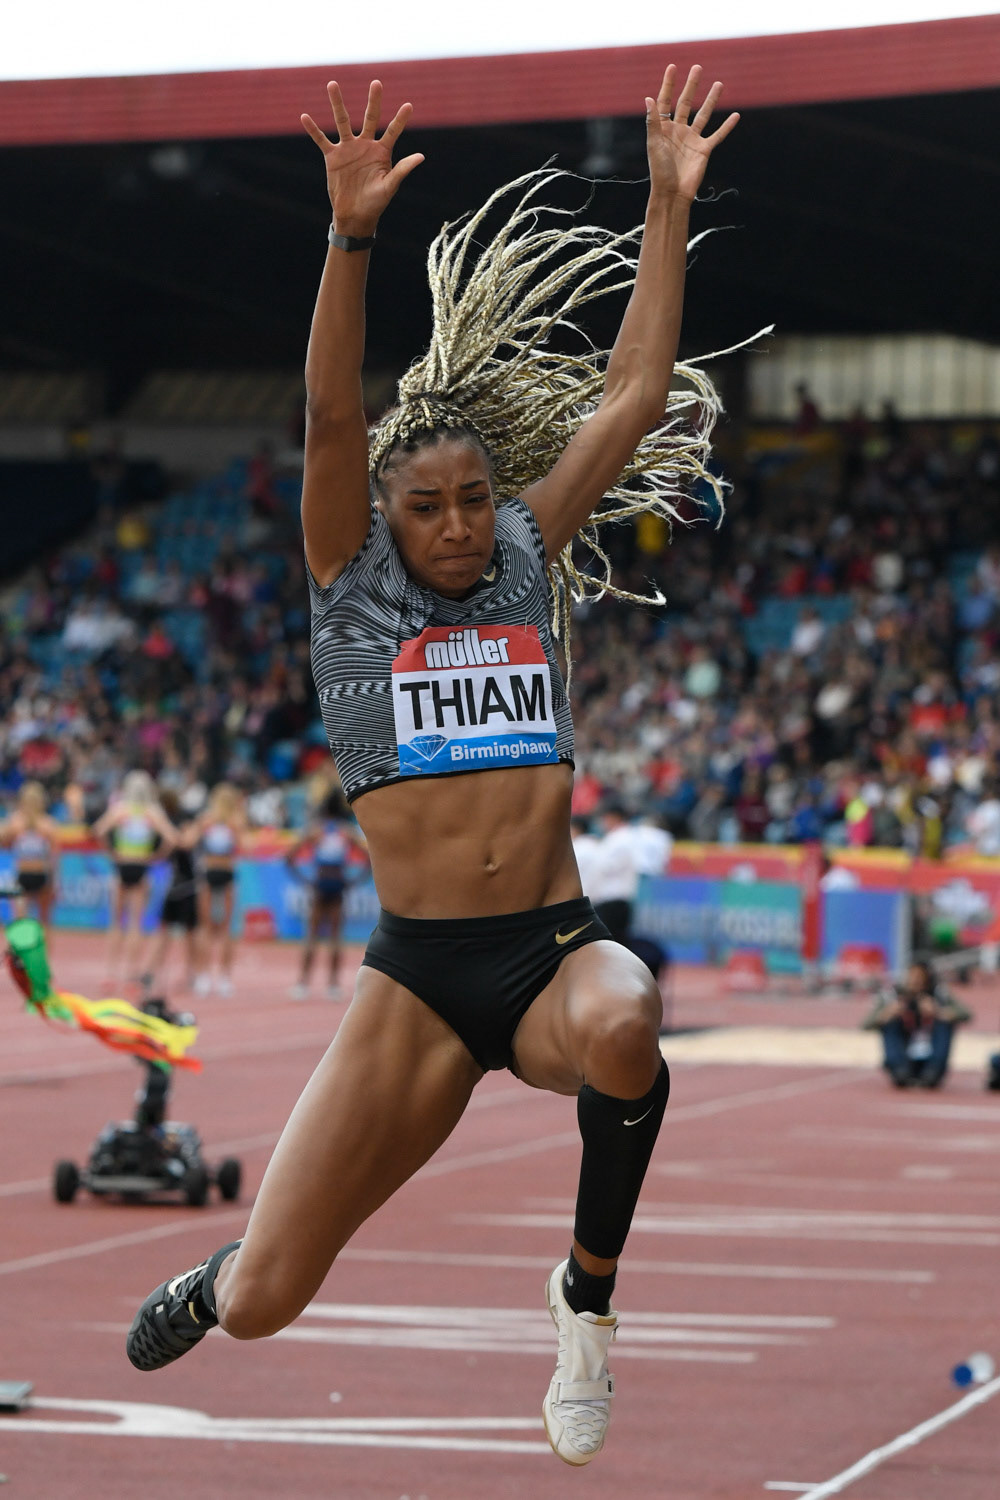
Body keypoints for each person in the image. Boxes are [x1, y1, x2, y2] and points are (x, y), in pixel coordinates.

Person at [126, 65, 742, 1467]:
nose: (461, 525)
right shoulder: (351, 586)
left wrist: (663, 198)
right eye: (433, 507)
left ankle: (585, 1303)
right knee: (271, 1304)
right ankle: (217, 1279)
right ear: (387, 516)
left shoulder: (527, 558)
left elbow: (638, 389)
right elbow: (332, 418)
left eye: (474, 499)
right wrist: (350, 241)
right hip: (416, 979)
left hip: (547, 951)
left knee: (630, 1020)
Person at [93, 771, 177, 986]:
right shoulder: (151, 811)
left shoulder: (121, 809)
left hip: (122, 864)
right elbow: (172, 837)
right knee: (135, 924)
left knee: (116, 922)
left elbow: (98, 830)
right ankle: (131, 973)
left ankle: (110, 973)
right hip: (141, 865)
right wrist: (156, 856)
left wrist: (111, 852)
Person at [286, 788, 366, 1000]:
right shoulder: (346, 831)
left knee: (312, 935)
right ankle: (333, 985)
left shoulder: (317, 830)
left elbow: (290, 857)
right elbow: (368, 858)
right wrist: (354, 881)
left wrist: (305, 880)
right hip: (338, 883)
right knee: (335, 937)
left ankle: (302, 983)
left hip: (320, 883)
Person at [863, 959, 972, 1088]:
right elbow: (865, 1024)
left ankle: (933, 1070)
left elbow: (966, 1014)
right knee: (890, 1023)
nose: (915, 980)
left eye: (919, 977)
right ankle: (899, 1068)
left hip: (930, 1059)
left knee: (945, 1022)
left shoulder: (939, 994)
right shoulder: (892, 995)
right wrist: (886, 1014)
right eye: (912, 976)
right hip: (903, 1057)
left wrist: (937, 1011)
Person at [188, 783, 247, 996]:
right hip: (224, 871)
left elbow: (189, 842)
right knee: (224, 928)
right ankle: (220, 978)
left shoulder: (211, 820)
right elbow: (245, 846)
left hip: (212, 870)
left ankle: (207, 977)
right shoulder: (231, 821)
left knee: (207, 927)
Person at [147, 789, 201, 993]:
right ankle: (152, 972)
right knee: (163, 931)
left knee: (191, 932)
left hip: (188, 884)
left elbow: (186, 843)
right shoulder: (162, 822)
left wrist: (166, 830)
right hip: (172, 884)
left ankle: (192, 973)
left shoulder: (184, 819)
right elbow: (160, 852)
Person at [0, 782, 62, 935]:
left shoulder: (15, 821)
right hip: (41, 875)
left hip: (23, 876)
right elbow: (55, 857)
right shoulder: (48, 823)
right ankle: (44, 958)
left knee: (20, 922)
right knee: (44, 922)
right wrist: (55, 881)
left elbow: (4, 842)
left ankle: (20, 957)